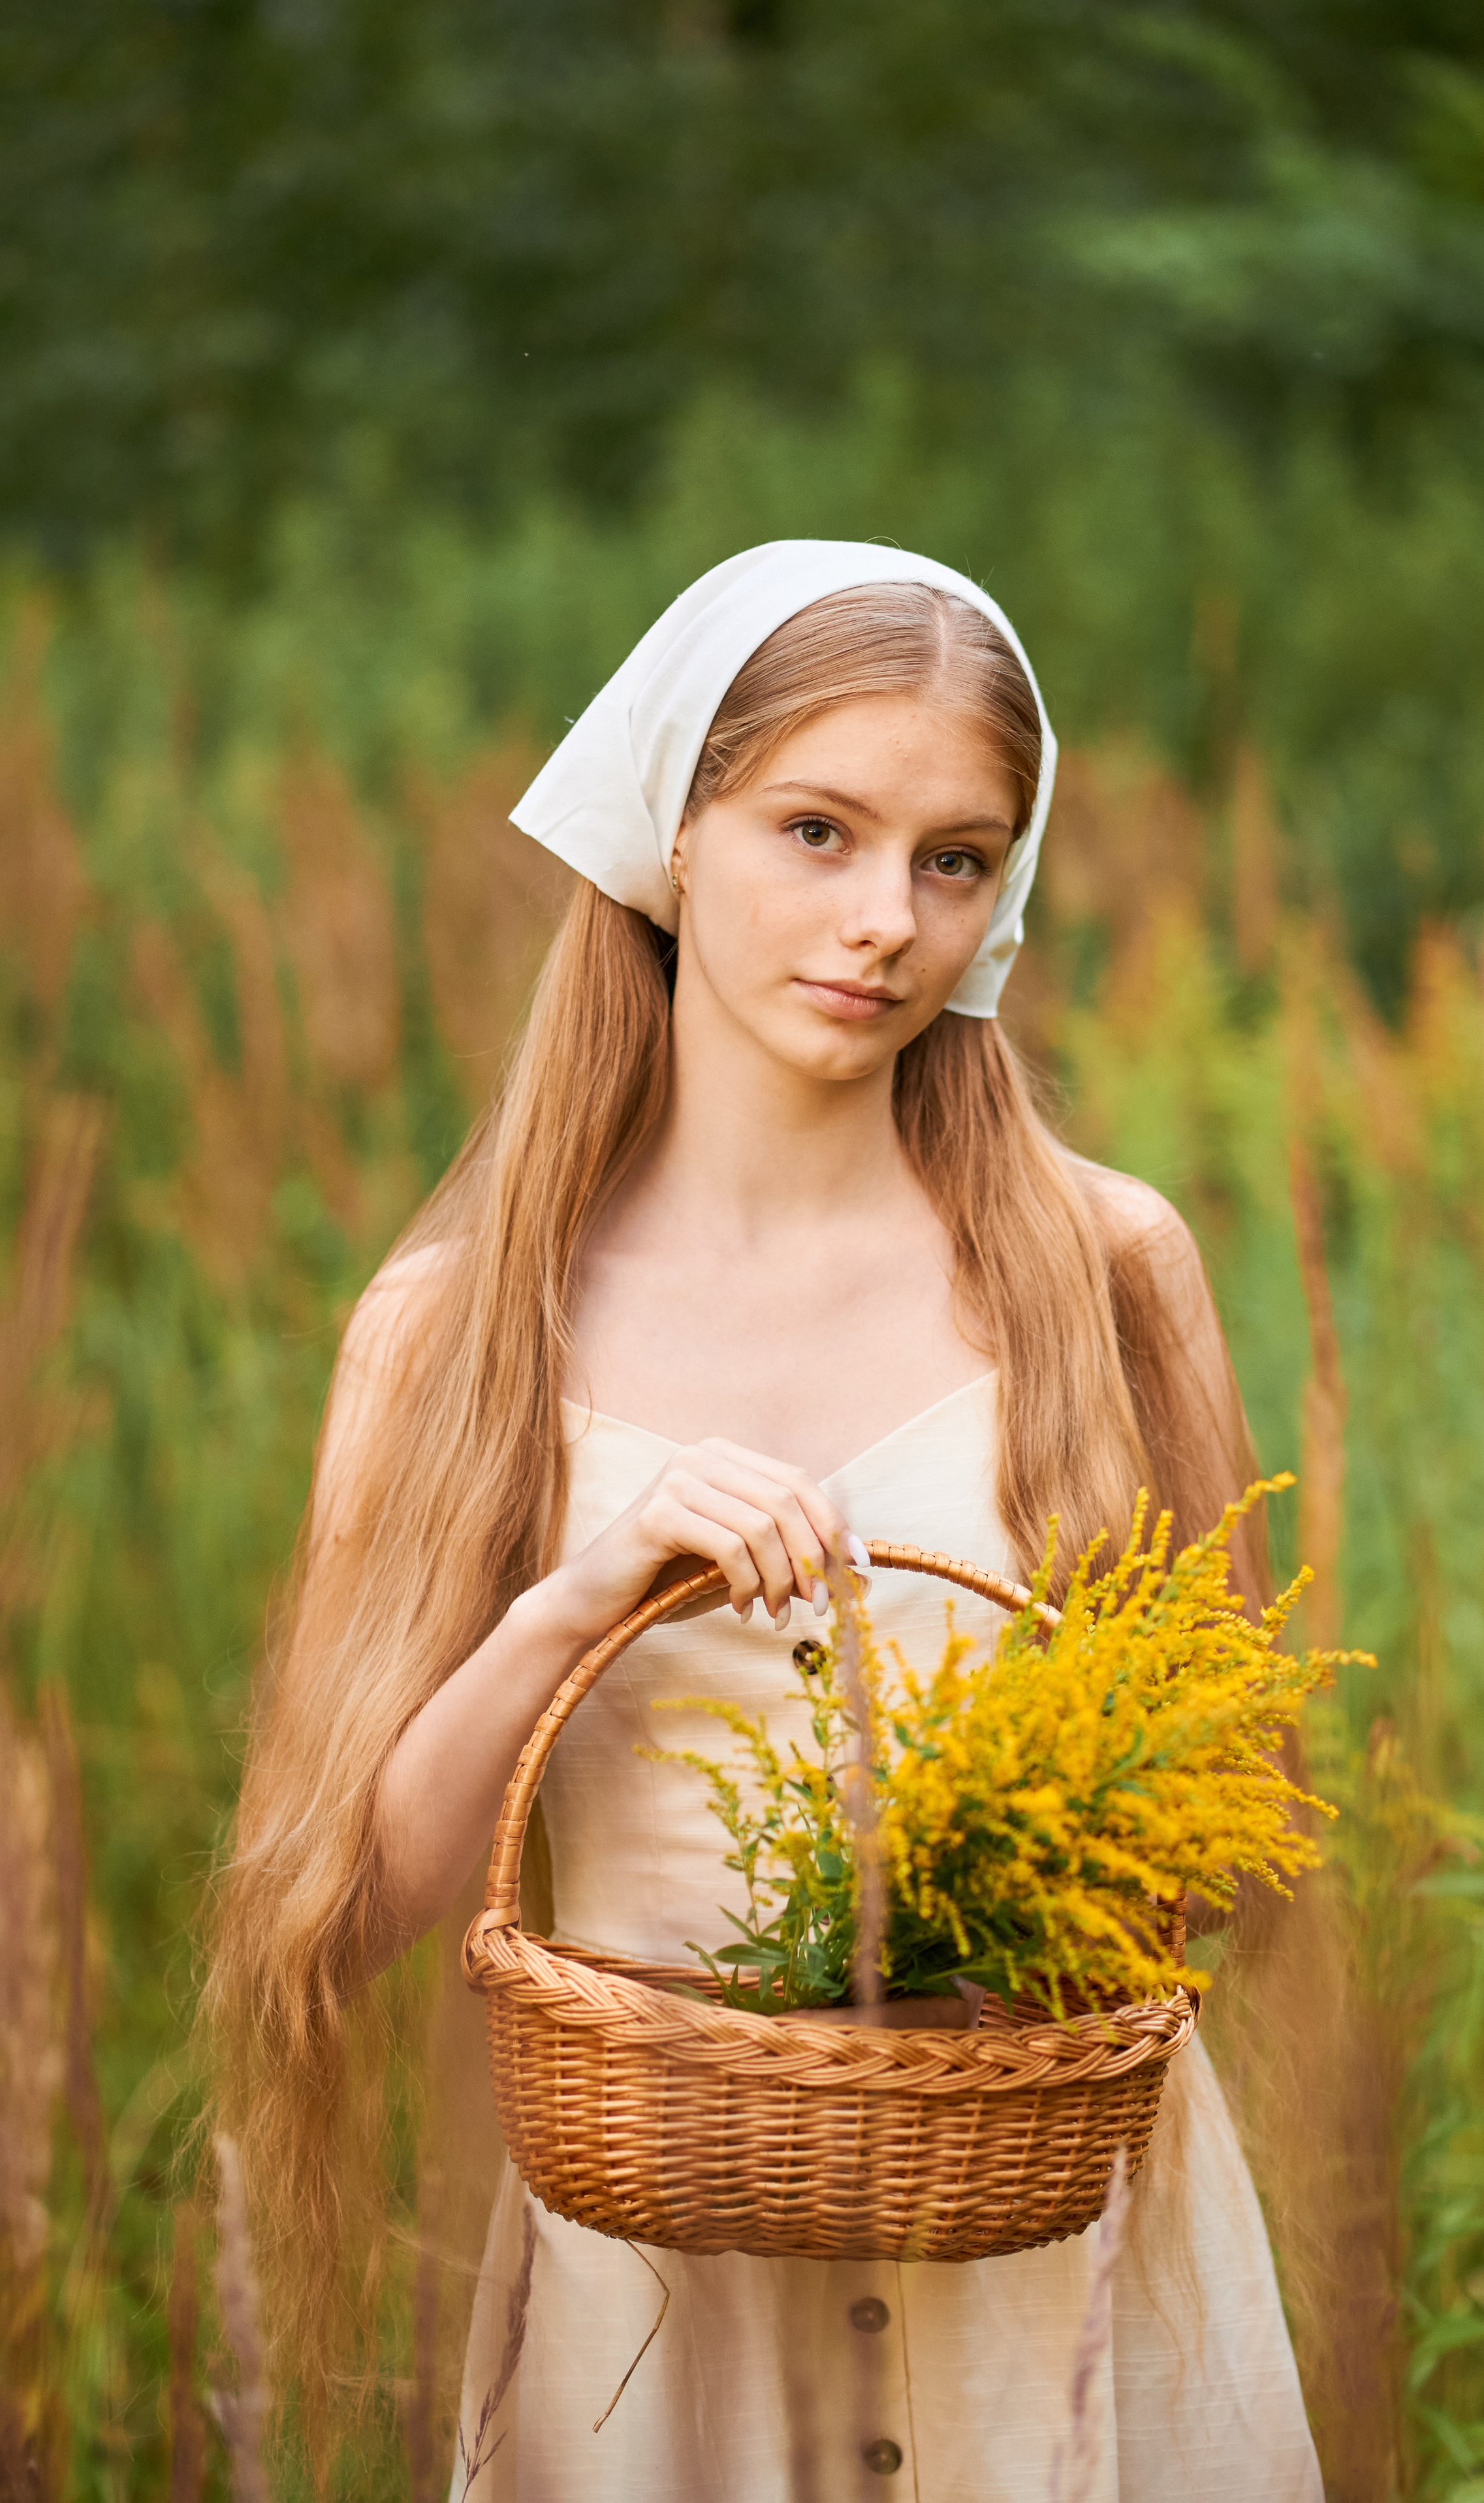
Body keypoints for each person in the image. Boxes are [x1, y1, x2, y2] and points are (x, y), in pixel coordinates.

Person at [207, 543, 1323, 2500]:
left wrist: (1012, 1861)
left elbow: (1242, 1840)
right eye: (818, 829)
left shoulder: (1111, 1269)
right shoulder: (451, 1334)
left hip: (1058, 2307)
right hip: (663, 2327)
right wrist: (571, 1603)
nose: (884, 919)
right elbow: (359, 1909)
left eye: (956, 859)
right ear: (673, 828)